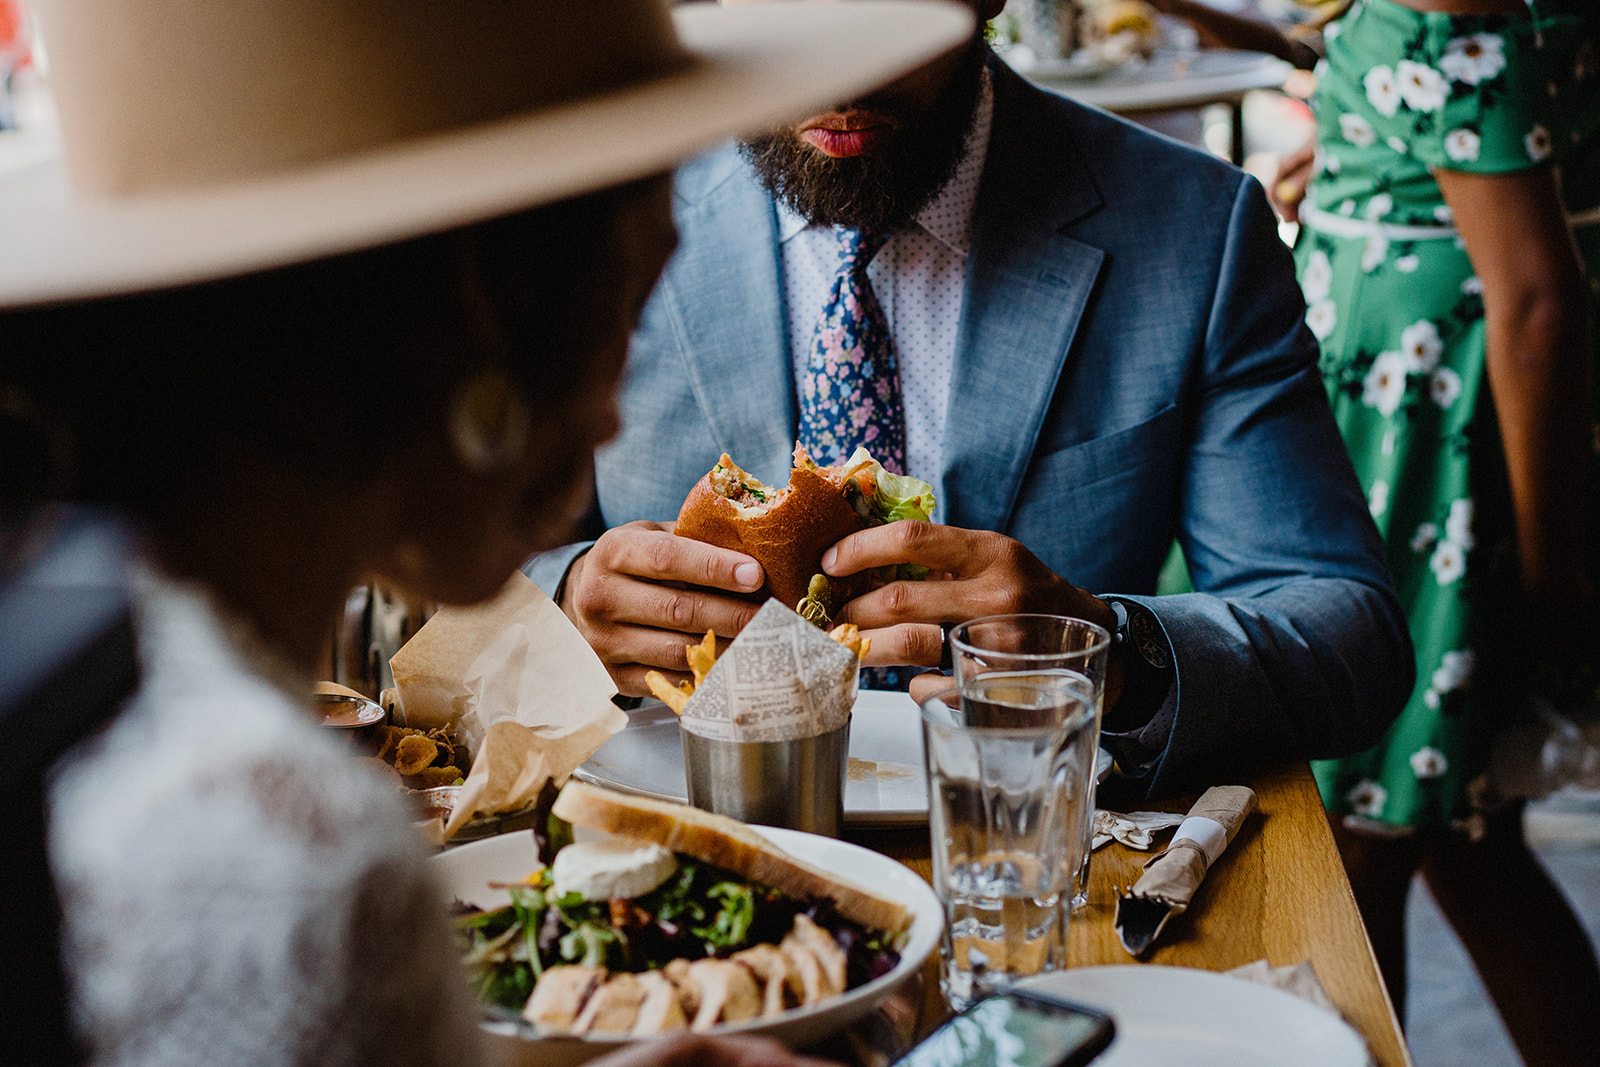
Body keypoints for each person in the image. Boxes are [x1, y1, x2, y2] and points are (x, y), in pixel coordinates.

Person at [0, 0, 970, 1062]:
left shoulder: (101, 679)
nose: (609, 417)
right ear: (484, 309)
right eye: (630, 300)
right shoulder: (295, 859)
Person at [526, 0, 1414, 802]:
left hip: (1043, 860)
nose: (841, 69)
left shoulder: (1193, 229)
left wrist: (1115, 653)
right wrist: (565, 605)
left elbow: (1351, 639)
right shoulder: (582, 212)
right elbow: (442, 589)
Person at [1281, 2, 1600, 1063]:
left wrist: (1561, 582)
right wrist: (1358, 171)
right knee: (1463, 841)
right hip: (1432, 435)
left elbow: (1538, 300)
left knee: (1359, 849)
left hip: (1425, 459)